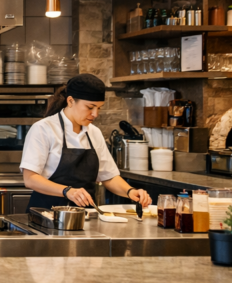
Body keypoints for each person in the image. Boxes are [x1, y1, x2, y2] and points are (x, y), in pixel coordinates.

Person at [21, 73, 152, 211]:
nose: (95, 114)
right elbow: (30, 179)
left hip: (84, 217)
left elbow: (109, 176)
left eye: (99, 108)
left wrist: (130, 191)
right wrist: (67, 191)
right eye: (90, 107)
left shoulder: (94, 132)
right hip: (45, 215)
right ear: (70, 101)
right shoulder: (43, 129)